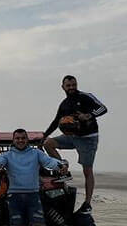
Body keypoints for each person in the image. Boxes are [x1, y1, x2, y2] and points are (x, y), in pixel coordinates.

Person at [41, 75, 107, 213]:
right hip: (72, 136)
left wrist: (88, 115)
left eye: (73, 85)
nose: (71, 88)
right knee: (48, 144)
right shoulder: (64, 104)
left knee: (87, 171)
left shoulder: (85, 96)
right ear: (63, 87)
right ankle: (63, 168)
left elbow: (102, 108)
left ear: (76, 84)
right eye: (68, 85)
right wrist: (44, 135)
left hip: (88, 139)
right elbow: (56, 121)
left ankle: (87, 203)